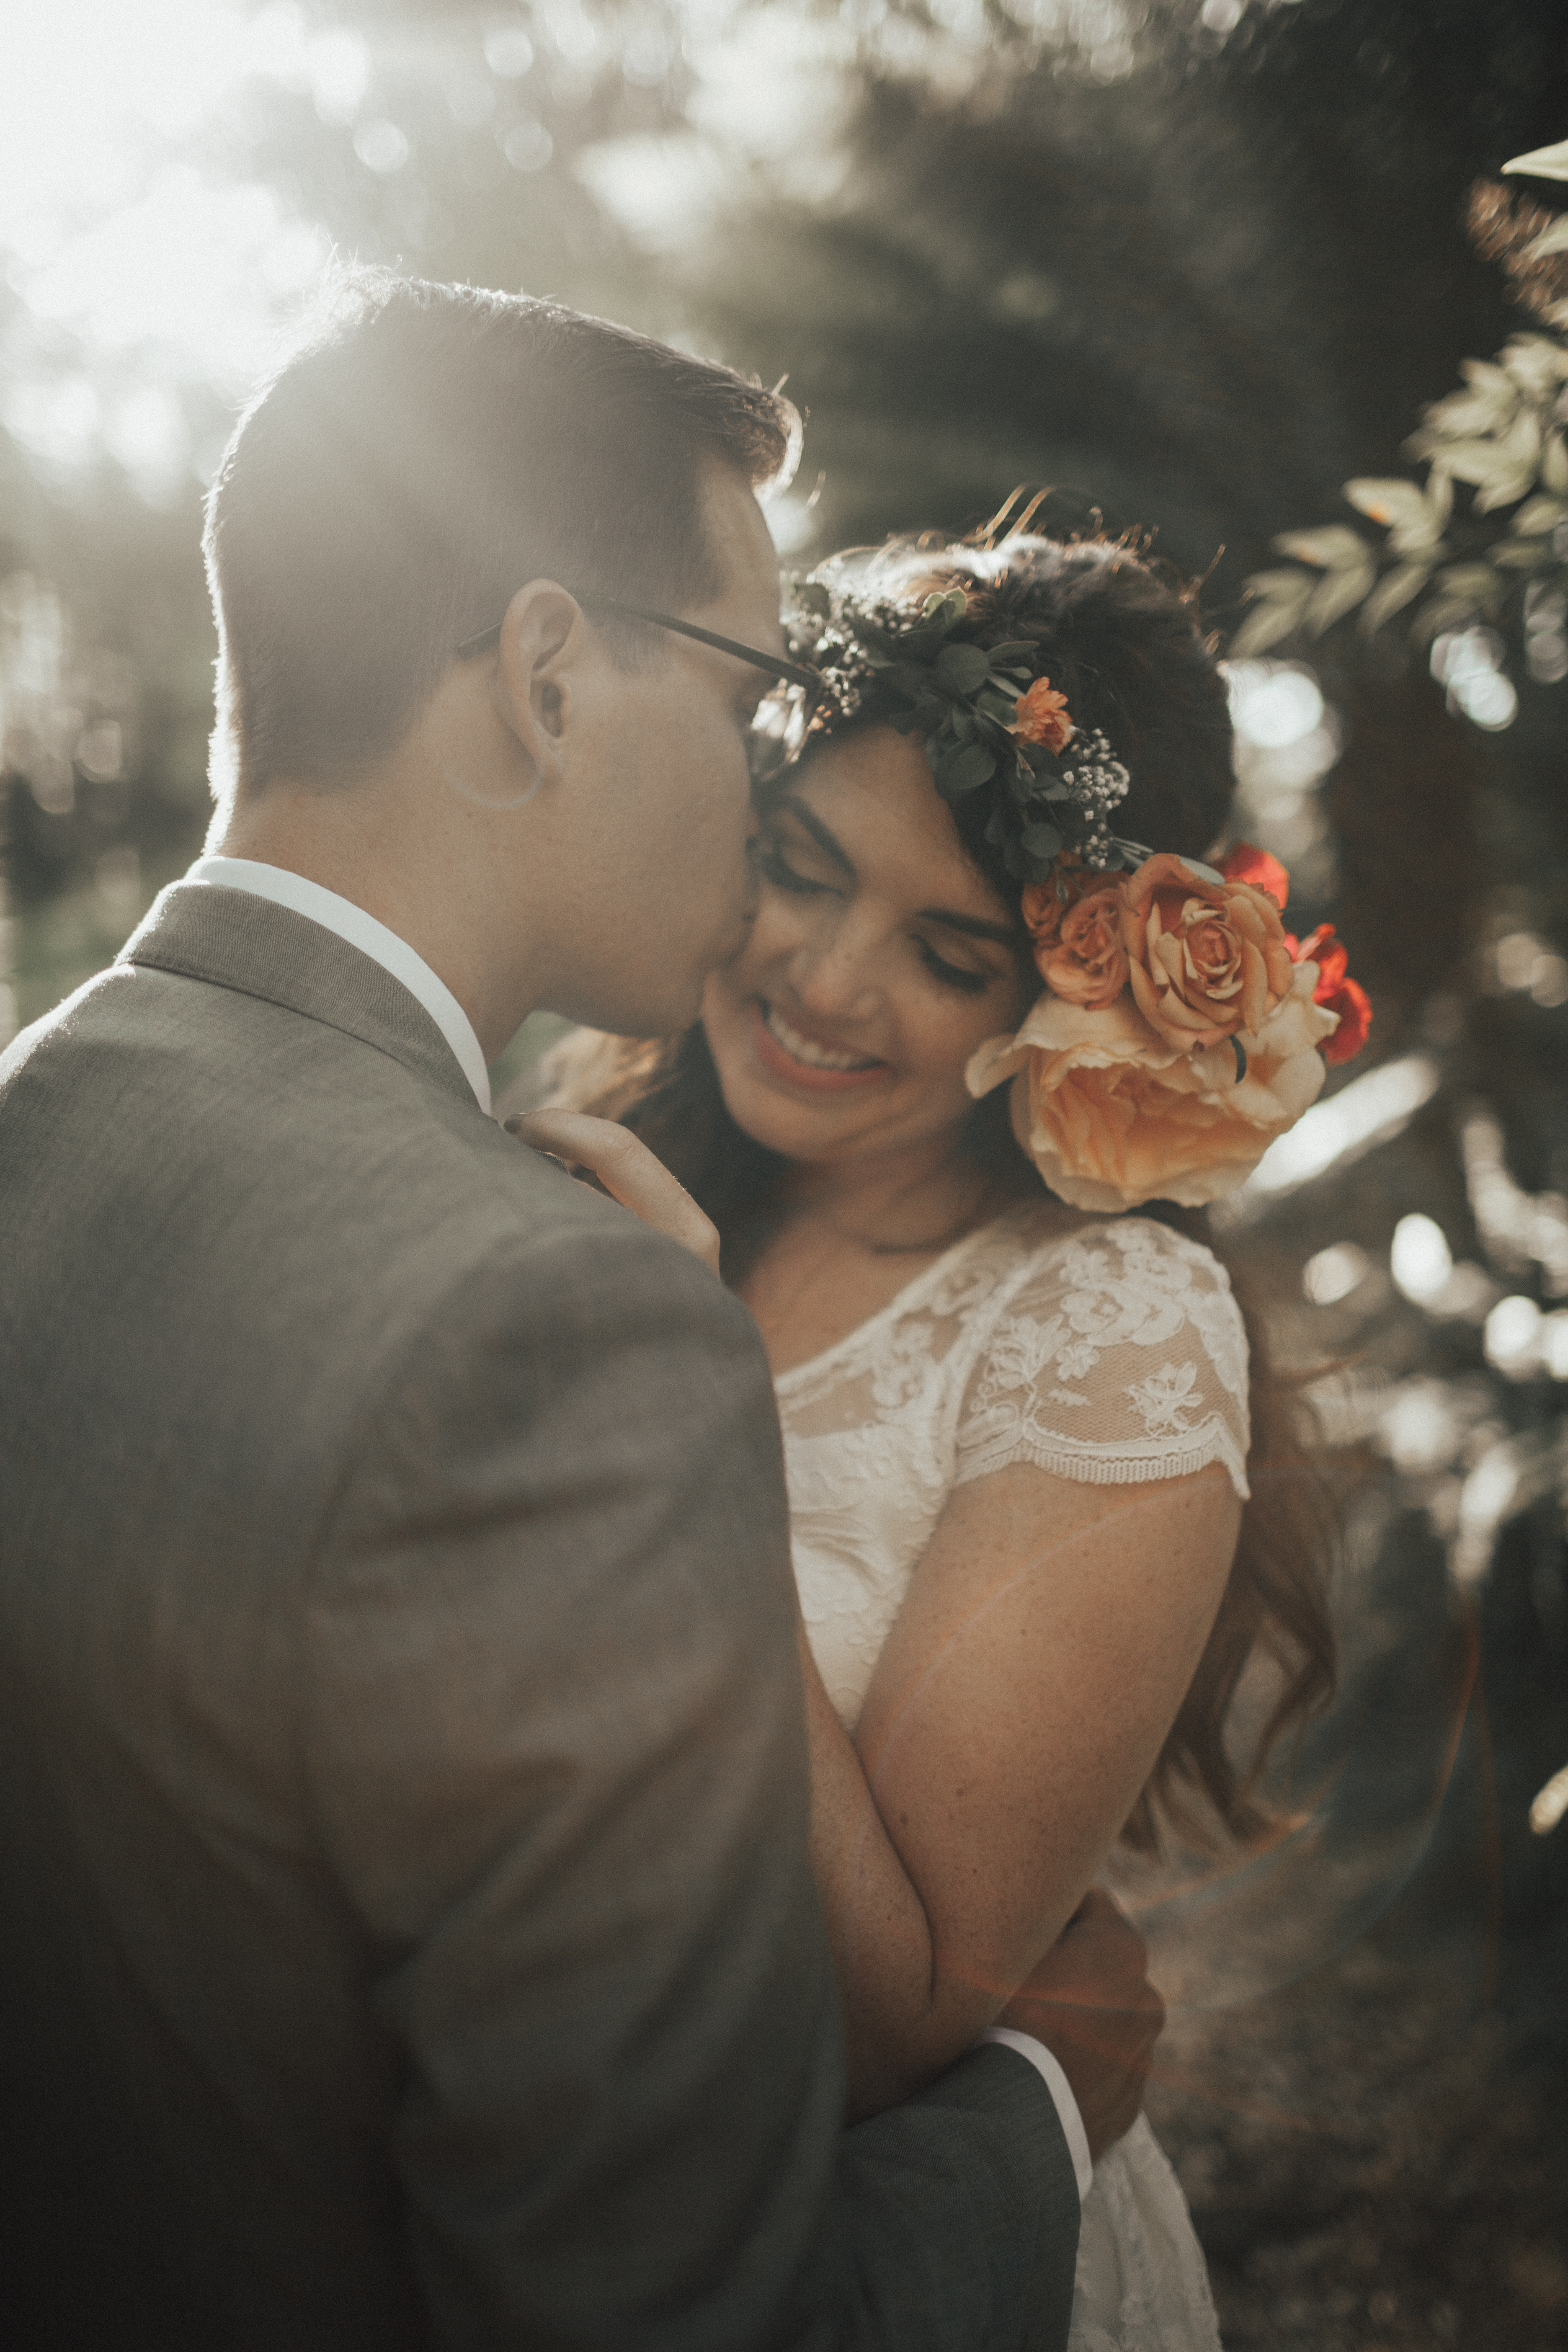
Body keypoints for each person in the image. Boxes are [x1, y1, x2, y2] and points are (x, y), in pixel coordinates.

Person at [0, 276, 1164, 2352]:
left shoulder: (41, 1118)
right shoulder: (556, 1336)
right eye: (742, 694)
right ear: (546, 674)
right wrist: (1042, 2108)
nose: (751, 797)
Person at [538, 527, 1341, 2352]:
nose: (825, 980)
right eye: (800, 870)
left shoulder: (1102, 1326)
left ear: (1065, 994)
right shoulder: (603, 1149)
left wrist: (691, 1428)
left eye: (947, 950)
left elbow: (897, 2017)